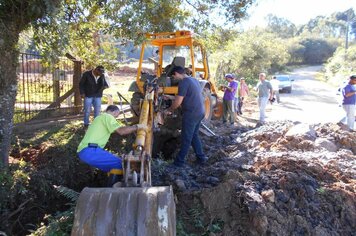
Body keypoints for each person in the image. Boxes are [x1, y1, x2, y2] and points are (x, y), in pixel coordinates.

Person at [77, 105, 146, 172]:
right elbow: (121, 131)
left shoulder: (99, 118)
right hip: (90, 151)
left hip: (86, 151)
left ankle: (114, 181)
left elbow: (119, 131)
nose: (115, 118)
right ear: (115, 112)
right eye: (116, 116)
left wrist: (130, 129)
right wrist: (137, 126)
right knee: (122, 164)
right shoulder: (108, 117)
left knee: (112, 169)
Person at [165, 66, 208, 167]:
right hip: (200, 112)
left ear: (176, 73)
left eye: (173, 76)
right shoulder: (194, 80)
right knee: (194, 136)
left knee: (186, 138)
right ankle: (201, 158)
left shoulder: (183, 82)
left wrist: (169, 110)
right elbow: (187, 96)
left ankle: (178, 163)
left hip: (191, 114)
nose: (174, 78)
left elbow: (179, 102)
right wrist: (171, 97)